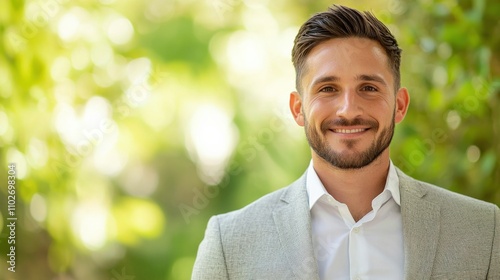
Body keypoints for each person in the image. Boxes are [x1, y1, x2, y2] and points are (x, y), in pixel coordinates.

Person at [192, 5, 500, 280]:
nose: (349, 110)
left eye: (368, 87)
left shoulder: (483, 231)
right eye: (327, 88)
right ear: (298, 109)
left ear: (400, 105)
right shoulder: (229, 244)